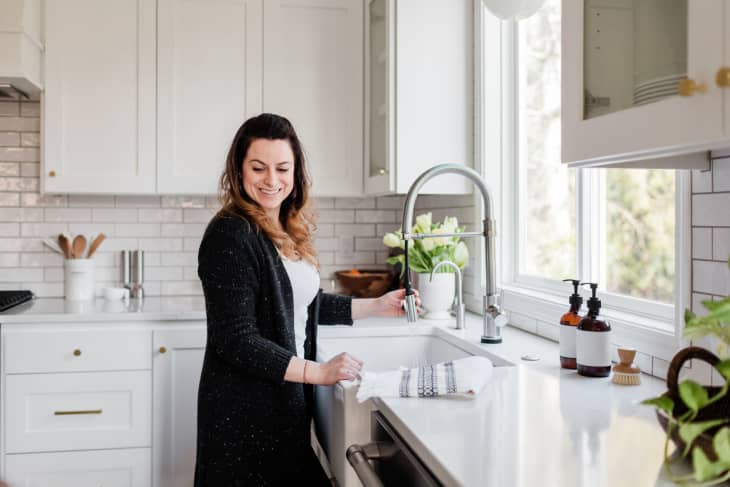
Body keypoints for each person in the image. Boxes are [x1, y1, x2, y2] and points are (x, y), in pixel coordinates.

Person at [194, 113, 419, 486]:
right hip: (246, 415)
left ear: (296, 173)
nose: (272, 180)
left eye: (283, 168)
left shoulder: (281, 228)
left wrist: (378, 306)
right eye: (258, 167)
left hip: (281, 405)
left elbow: (303, 305)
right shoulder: (231, 234)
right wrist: (318, 372)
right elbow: (236, 339)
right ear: (238, 170)